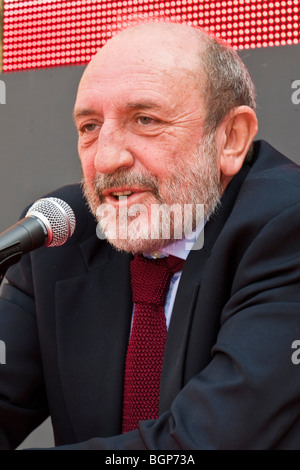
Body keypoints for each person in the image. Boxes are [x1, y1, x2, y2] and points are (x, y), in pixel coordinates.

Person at [0, 19, 300, 450]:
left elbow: (198, 444)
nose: (105, 159)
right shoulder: (58, 235)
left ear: (231, 139)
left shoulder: (287, 224)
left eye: (144, 119)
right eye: (89, 127)